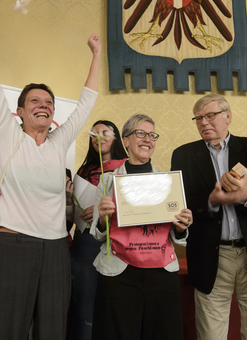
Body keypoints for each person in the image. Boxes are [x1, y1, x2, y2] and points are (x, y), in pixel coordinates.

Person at [0, 0, 100, 339]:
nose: (43, 104)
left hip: (57, 249)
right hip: (13, 247)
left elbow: (87, 102)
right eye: (35, 101)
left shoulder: (58, 143)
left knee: (51, 331)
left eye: (49, 102)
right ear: (18, 110)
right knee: (5, 331)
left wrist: (96, 54)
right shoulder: (6, 132)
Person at [171, 95, 247, 340]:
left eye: (210, 115)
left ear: (228, 116)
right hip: (211, 255)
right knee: (211, 334)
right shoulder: (183, 155)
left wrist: (246, 196)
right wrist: (211, 203)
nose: (204, 122)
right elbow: (181, 207)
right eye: (199, 118)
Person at [90, 114, 192, 339]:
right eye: (140, 133)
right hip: (119, 275)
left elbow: (177, 236)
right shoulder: (107, 181)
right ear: (125, 141)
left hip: (161, 276)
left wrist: (182, 226)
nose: (147, 139)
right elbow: (98, 235)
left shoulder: (169, 183)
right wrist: (103, 218)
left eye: (151, 135)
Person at [68, 120, 128, 340]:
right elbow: (71, 215)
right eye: (94, 134)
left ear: (116, 138)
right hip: (83, 244)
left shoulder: (126, 167)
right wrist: (68, 200)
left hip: (114, 244)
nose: (99, 137)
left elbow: (135, 206)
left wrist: (101, 208)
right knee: (83, 304)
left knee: (110, 304)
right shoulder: (83, 171)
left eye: (105, 132)